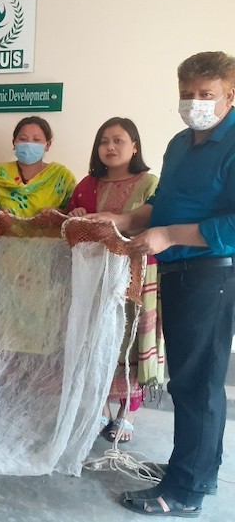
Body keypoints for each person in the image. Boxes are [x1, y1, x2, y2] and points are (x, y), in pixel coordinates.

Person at [90, 52, 235, 517]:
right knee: (192, 381)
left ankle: (185, 492)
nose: (195, 103)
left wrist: (171, 236)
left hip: (212, 273)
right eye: (187, 94)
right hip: (176, 270)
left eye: (206, 95)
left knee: (198, 384)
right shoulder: (178, 144)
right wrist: (123, 218)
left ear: (230, 96)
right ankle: (196, 470)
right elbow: (162, 205)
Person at [67, 117, 162, 444]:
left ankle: (128, 413)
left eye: (118, 140)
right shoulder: (86, 185)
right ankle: (100, 410)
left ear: (134, 146)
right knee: (94, 339)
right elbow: (72, 227)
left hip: (136, 276)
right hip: (94, 275)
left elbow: (154, 220)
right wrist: (76, 217)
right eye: (104, 141)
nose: (109, 147)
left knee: (128, 341)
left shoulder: (150, 184)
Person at [0, 116, 76, 217]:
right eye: (23, 139)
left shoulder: (62, 177)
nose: (29, 144)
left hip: (49, 233)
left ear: (48, 145)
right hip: (2, 232)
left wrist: (58, 213)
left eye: (36, 140)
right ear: (14, 143)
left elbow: (75, 215)